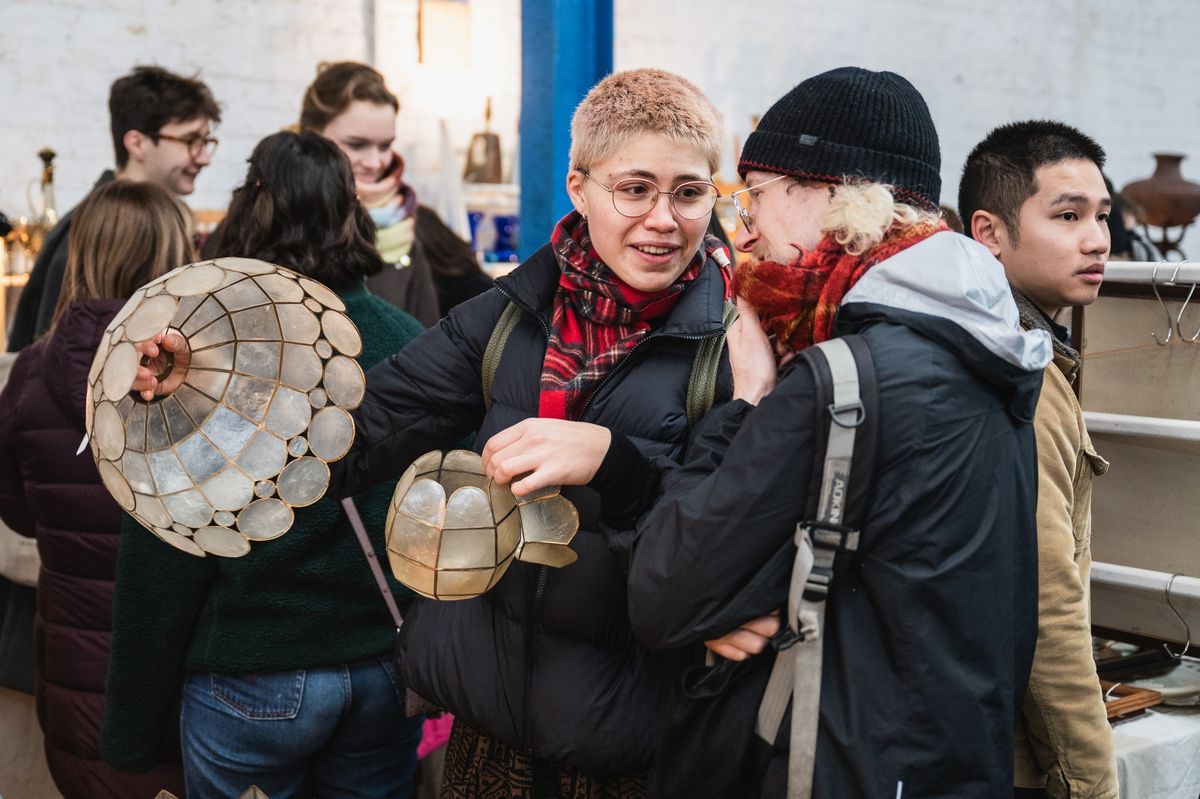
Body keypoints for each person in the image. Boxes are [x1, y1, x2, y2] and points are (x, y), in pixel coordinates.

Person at [607, 67, 1050, 797]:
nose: (742, 225)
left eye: (757, 193)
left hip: (835, 765)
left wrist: (746, 401)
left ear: (835, 196)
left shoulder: (840, 378)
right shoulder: (993, 348)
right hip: (950, 762)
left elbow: (665, 594)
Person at [310, 68, 732, 796]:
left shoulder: (735, 345)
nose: (665, 219)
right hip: (489, 742)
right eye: (634, 189)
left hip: (638, 754)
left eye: (689, 192)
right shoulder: (510, 317)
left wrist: (616, 464)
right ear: (579, 188)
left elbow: (736, 547)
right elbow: (355, 431)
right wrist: (215, 386)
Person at [100, 131, 427, 798]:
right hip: (383, 668)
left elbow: (168, 543)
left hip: (254, 672)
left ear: (253, 206)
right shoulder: (409, 342)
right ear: (352, 214)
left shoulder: (202, 359)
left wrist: (131, 729)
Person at [0, 180, 194, 798]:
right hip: (174, 667)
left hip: (71, 668)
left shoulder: (29, 372)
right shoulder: (204, 381)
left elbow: (19, 515)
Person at [960, 120, 1118, 799]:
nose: (1098, 239)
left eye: (1103, 215)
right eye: (1068, 215)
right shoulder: (1023, 374)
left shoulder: (985, 341)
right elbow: (1046, 604)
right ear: (988, 232)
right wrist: (1090, 782)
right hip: (1010, 757)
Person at [7, 65, 221, 351]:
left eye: (206, 141)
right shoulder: (91, 229)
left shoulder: (155, 223)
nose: (205, 157)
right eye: (191, 141)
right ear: (137, 143)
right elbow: (55, 357)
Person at [299, 61, 491, 325]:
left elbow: (488, 311)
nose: (375, 162)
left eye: (385, 146)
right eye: (357, 145)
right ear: (311, 137)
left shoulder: (419, 224)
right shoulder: (273, 219)